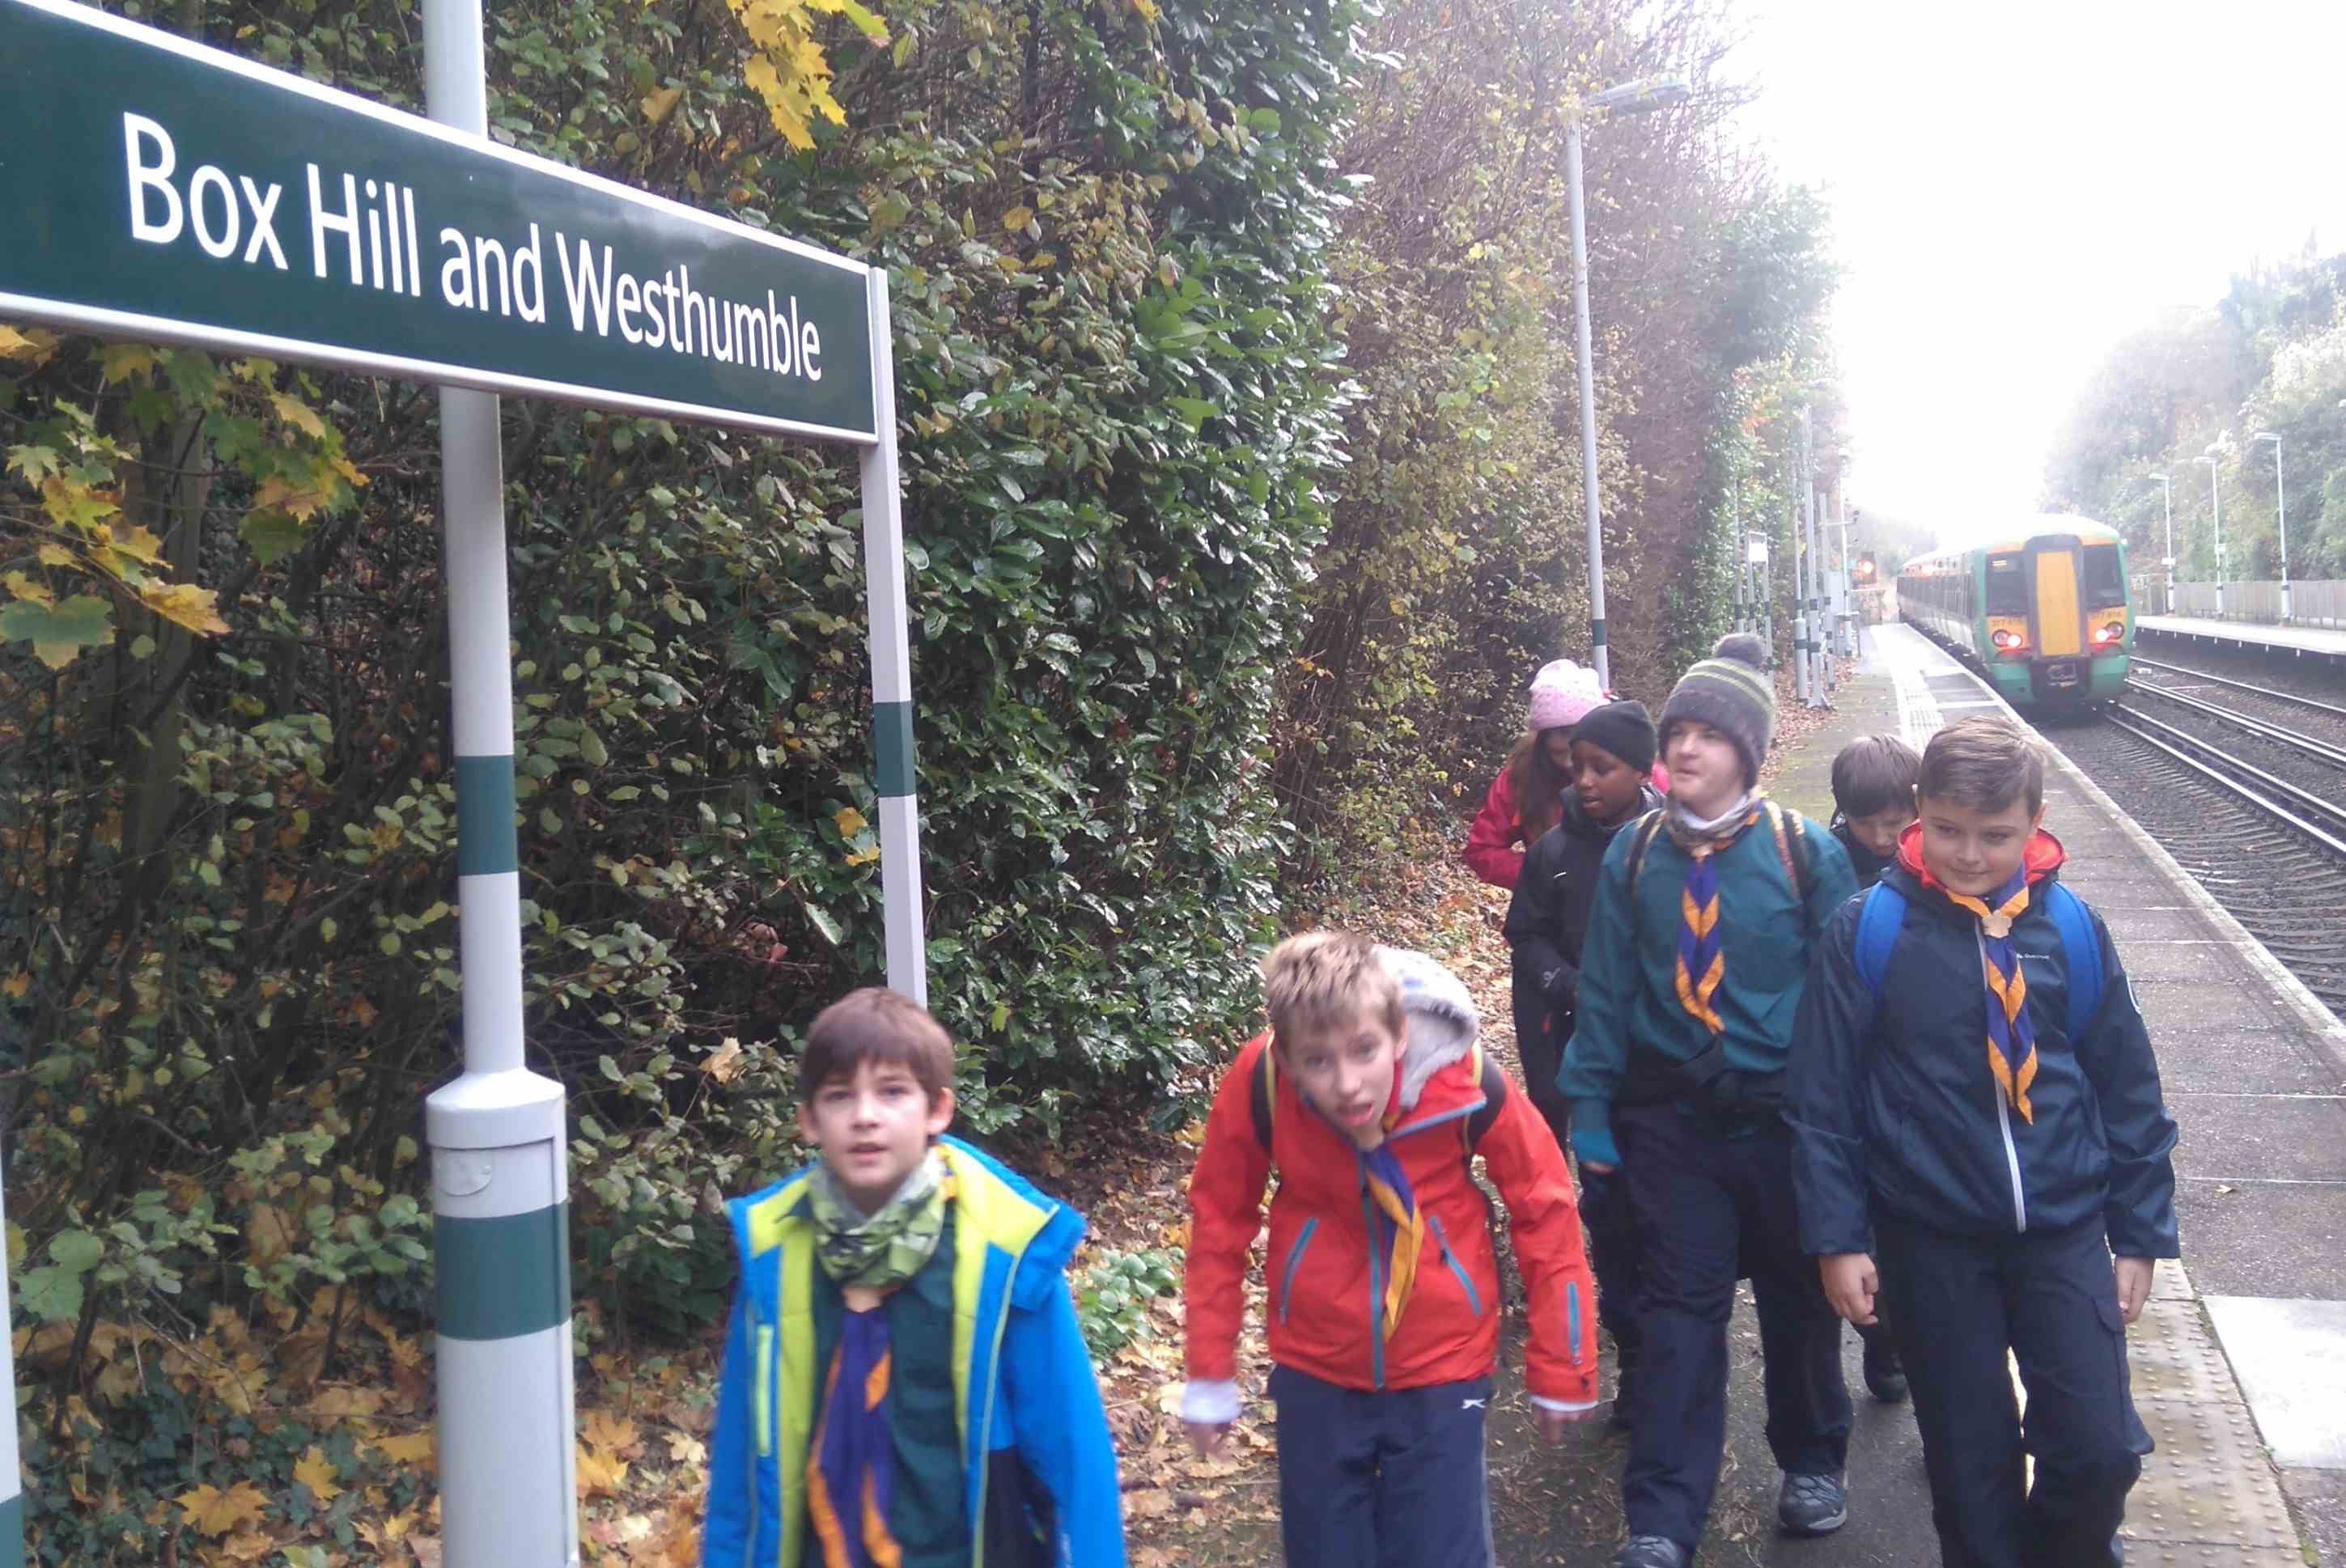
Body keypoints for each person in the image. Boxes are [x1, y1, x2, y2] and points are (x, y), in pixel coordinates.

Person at [1788, 716, 2178, 1568]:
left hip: (2063, 1229)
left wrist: (2142, 1230)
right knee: (1970, 1476)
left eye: (1996, 836)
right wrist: (1837, 1238)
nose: (1969, 855)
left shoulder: (2071, 928)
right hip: (1931, 1238)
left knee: (2099, 1448)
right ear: (1919, 809)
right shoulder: (1868, 931)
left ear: (2035, 820)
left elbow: (2126, 1084)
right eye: (1950, 831)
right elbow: (1822, 1099)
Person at [1556, 634, 1858, 1568]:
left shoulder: (1805, 857)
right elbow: (1604, 990)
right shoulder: (1634, 857)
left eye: (1708, 737)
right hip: (1674, 1125)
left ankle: (1811, 1461)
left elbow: (1846, 1013)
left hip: (1781, 1124)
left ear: (1749, 753)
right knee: (1676, 1316)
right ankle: (1661, 1517)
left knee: (1797, 1305)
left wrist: (1847, 1136)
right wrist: (1591, 1113)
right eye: (1675, 733)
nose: (1683, 750)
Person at [1181, 932, 1600, 1568]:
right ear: (1287, 1059)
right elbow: (1218, 1222)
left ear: (1399, 1034)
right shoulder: (1259, 1084)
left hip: (1443, 1363)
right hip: (1316, 1366)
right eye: (1317, 1061)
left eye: (1364, 1050)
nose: (1348, 1085)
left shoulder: (1465, 1081)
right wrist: (1209, 1373)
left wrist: (1564, 1362)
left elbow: (1544, 1207)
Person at [702, 989, 1125, 1568]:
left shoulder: (1004, 1254)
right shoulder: (776, 1256)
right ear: (808, 1121)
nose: (865, 1115)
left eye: (893, 1092)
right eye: (839, 1095)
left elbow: (1071, 1450)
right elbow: (739, 1465)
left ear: (938, 1110)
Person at [1502, 699, 1663, 1426]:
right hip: (1584, 1057)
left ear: (1640, 770)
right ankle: (1633, 1360)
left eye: (1604, 768)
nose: (1586, 780)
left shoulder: (1672, 843)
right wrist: (1565, 986)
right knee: (1610, 1212)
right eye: (1579, 765)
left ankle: (1672, 1358)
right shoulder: (1553, 854)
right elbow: (1524, 935)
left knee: (1662, 1210)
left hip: (1661, 1065)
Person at [1823, 731, 1924, 1402]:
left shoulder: (1931, 863)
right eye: (1868, 823)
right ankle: (1876, 1335)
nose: (1885, 837)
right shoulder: (1826, 865)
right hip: (1849, 1063)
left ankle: (1897, 1345)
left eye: (1897, 822)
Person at [1465, 659, 1606, 890]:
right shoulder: (1521, 779)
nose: (1573, 744)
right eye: (1562, 732)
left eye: (1581, 732)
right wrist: (1543, 872)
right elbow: (1482, 849)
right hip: (1551, 915)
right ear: (1544, 738)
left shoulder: (1627, 771)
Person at [1828, 734, 1922, 887]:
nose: (1880, 839)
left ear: (1919, 804)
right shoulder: (1831, 855)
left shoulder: (1935, 849)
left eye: (1893, 823)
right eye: (1863, 823)